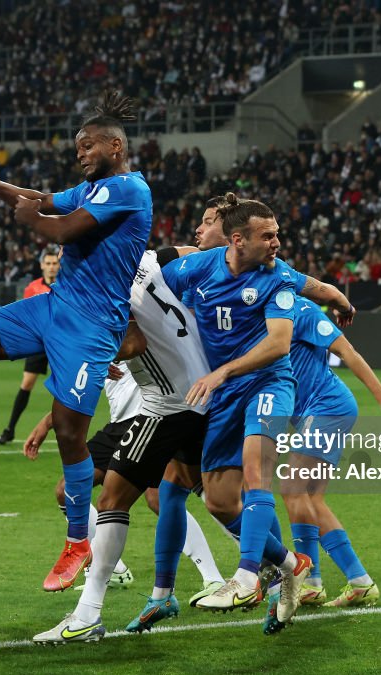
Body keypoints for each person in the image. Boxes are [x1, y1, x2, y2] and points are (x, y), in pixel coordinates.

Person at [0, 91, 151, 591]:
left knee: (68, 430)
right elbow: (43, 201)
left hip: (92, 326)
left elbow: (60, 228)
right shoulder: (92, 188)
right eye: (77, 146)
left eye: (88, 146)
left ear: (115, 146)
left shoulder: (128, 189)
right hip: (54, 308)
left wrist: (32, 222)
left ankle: (77, 542)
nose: (80, 153)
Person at [32, 245, 227, 643]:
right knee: (209, 499)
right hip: (192, 401)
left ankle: (87, 615)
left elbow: (134, 342)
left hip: (164, 408)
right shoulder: (151, 261)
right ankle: (281, 568)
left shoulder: (114, 288)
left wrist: (94, 350)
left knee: (114, 501)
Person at [159, 193, 312, 635]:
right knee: (219, 500)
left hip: (268, 383)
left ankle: (245, 577)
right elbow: (148, 285)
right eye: (269, 235)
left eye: (278, 233)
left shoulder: (277, 276)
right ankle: (289, 563)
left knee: (255, 470)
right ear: (239, 239)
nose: (278, 242)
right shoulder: (198, 267)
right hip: (223, 396)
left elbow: (279, 343)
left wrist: (223, 370)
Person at [269, 295, 381, 629]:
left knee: (293, 487)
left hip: (328, 406)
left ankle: (312, 581)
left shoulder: (299, 308)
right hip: (312, 411)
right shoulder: (261, 310)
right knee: (309, 497)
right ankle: (355, 582)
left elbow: (347, 351)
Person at [0, 245, 62, 445]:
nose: (51, 267)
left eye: (55, 263)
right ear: (42, 265)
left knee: (65, 389)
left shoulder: (67, 286)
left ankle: (65, 432)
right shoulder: (32, 288)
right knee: (26, 385)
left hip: (60, 344)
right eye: (48, 263)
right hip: (39, 344)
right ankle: (10, 429)